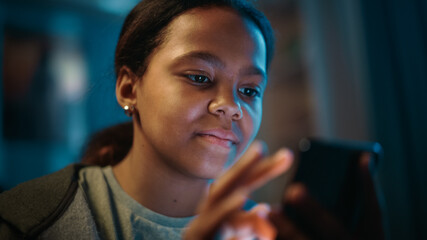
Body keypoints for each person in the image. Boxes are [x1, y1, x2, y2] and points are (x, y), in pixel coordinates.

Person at [0, 0, 383, 239]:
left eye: (249, 90)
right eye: (200, 77)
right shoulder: (30, 219)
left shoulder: (262, 232)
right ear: (129, 89)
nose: (231, 106)